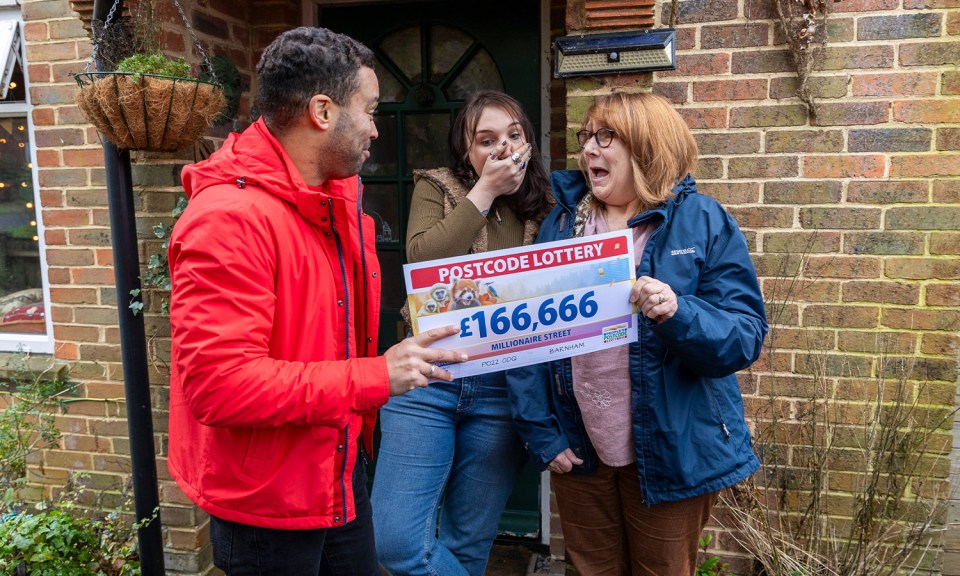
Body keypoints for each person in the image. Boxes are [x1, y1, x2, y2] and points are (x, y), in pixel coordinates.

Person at [167, 27, 465, 576]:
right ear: (322, 111)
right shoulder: (227, 221)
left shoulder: (329, 201)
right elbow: (220, 386)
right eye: (370, 110)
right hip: (268, 509)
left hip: (338, 478)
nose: (377, 128)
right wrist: (377, 376)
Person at [508, 92, 768, 576]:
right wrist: (541, 431)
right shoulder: (562, 225)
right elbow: (527, 338)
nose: (588, 150)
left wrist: (678, 310)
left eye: (606, 137)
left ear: (647, 147)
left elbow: (744, 335)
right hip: (581, 448)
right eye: (587, 136)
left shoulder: (702, 220)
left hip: (672, 448)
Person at [372, 91, 552, 576]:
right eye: (486, 139)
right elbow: (422, 260)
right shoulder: (438, 187)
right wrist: (486, 191)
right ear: (466, 150)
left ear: (529, 142)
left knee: (469, 546)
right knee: (396, 545)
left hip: (502, 385)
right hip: (427, 376)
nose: (503, 148)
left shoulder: (548, 203)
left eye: (514, 136)